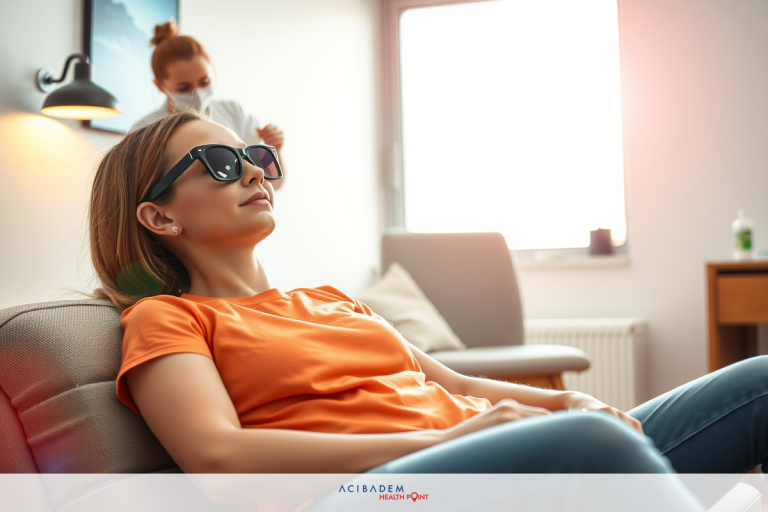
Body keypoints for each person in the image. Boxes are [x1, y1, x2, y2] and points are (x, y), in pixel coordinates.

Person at [89, 111, 768, 507]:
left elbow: (461, 387)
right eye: (220, 163)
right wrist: (451, 440)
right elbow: (220, 457)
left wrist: (567, 404)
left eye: (255, 156)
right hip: (384, 489)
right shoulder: (168, 319)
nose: (258, 172)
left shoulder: (329, 299)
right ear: (158, 217)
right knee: (594, 446)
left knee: (757, 383)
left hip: (485, 456)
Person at [131, 21, 286, 190]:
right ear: (160, 86)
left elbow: (273, 183)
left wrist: (275, 151)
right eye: (183, 87)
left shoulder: (234, 113)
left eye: (204, 81)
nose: (197, 92)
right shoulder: (144, 132)